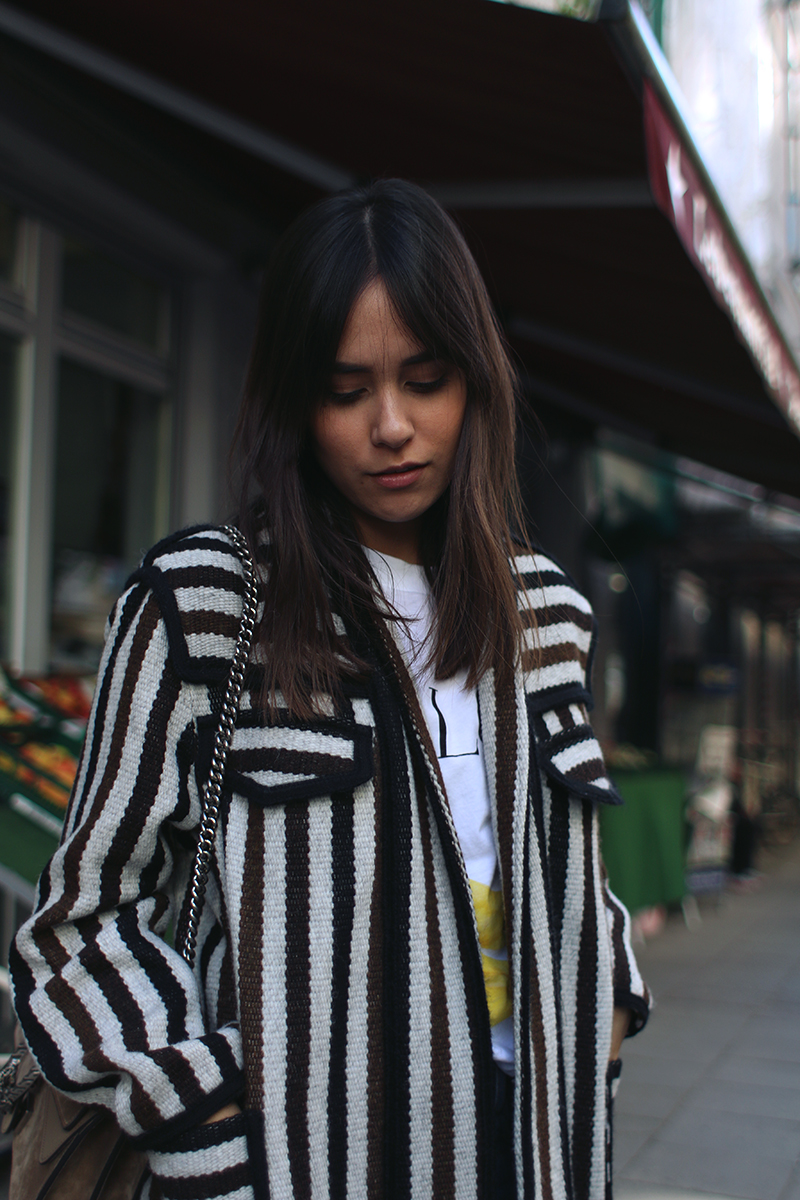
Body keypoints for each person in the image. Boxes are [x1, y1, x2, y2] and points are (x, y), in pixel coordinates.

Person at [10, 179, 649, 1200]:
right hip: (306, 1165)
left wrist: (605, 1016)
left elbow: (567, 868)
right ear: (294, 404)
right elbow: (81, 924)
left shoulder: (547, 615)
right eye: (346, 391)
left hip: (535, 1153)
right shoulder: (205, 607)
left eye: (425, 380)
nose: (391, 426)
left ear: (475, 383)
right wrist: (205, 1128)